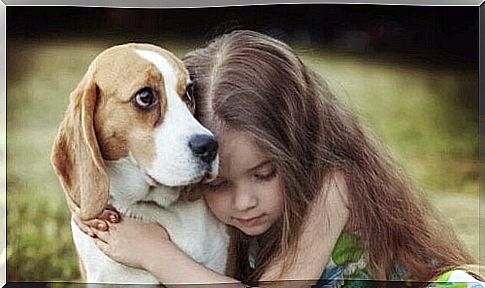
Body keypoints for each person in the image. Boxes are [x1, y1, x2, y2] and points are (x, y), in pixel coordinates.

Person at [72, 30, 483, 287]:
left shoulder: (334, 187)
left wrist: (155, 254)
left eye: (265, 174)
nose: (244, 201)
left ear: (300, 148)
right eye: (217, 183)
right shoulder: (203, 197)